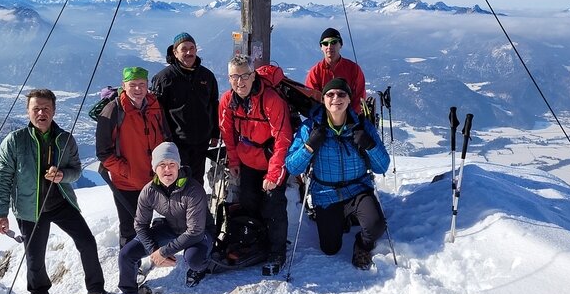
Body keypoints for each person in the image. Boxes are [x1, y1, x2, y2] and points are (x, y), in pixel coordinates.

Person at [0, 89, 108, 294]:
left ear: (54, 111)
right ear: (28, 111)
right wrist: (0, 213)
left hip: (61, 203)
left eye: (46, 108)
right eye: (36, 108)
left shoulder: (65, 139)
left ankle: (96, 290)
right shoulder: (15, 141)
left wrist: (63, 175)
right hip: (30, 208)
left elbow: (76, 170)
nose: (41, 113)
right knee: (35, 258)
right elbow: (3, 178)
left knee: (87, 242)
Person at [285, 78, 391, 269]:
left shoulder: (362, 126)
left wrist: (370, 145)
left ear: (350, 99)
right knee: (330, 248)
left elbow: (382, 167)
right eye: (330, 94)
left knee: (376, 226)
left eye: (342, 94)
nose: (336, 98)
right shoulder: (310, 128)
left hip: (358, 189)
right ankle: (342, 219)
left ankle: (362, 245)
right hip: (326, 194)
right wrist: (309, 146)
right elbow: (292, 167)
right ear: (324, 99)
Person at [218, 54, 293, 275]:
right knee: (249, 202)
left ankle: (277, 251)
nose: (239, 82)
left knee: (273, 204)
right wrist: (233, 161)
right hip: (247, 158)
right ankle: (255, 241)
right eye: (234, 77)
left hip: (272, 160)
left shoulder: (271, 100)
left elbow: (283, 138)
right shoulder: (227, 101)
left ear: (253, 76)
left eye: (244, 76)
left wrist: (273, 174)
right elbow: (227, 133)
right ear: (229, 78)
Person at [117, 142, 215, 294]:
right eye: (162, 165)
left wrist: (164, 252)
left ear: (178, 166)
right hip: (171, 228)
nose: (167, 169)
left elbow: (195, 231)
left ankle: (202, 269)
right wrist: (154, 250)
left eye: (171, 164)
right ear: (155, 168)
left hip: (200, 232)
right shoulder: (149, 191)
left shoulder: (193, 190)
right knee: (126, 254)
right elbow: (140, 224)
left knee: (194, 259)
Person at [96, 66, 170, 248]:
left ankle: (142, 254)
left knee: (144, 223)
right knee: (129, 227)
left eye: (142, 84)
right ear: (124, 86)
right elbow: (103, 153)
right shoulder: (114, 110)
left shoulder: (155, 106)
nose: (138, 89)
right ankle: (129, 268)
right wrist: (126, 172)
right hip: (126, 183)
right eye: (133, 85)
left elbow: (166, 137)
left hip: (152, 180)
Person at [151, 32, 220, 186]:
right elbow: (157, 112)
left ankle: (196, 210)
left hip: (201, 140)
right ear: (175, 52)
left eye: (192, 48)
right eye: (184, 49)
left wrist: (215, 132)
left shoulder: (207, 76)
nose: (189, 52)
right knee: (178, 181)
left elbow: (214, 104)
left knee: (196, 181)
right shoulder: (164, 78)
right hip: (176, 142)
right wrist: (165, 138)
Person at [305, 27, 366, 113]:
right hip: (323, 121)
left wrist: (350, 119)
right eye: (325, 43)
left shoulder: (353, 69)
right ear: (321, 47)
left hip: (351, 120)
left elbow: (359, 98)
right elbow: (312, 101)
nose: (329, 46)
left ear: (340, 45)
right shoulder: (315, 73)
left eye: (333, 42)